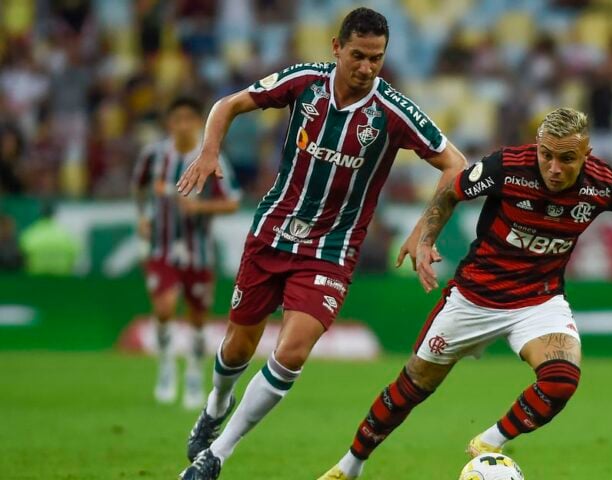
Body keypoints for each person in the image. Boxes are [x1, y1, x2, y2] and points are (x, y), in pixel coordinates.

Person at [318, 108, 612, 479]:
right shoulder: (507, 166)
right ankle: (348, 467)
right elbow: (449, 193)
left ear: (585, 153)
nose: (553, 167)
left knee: (562, 379)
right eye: (546, 155)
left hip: (538, 300)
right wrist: (427, 236)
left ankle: (489, 443)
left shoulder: (604, 184)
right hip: (474, 296)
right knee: (413, 386)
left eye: (566, 159)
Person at [175, 8, 467, 480]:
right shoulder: (304, 81)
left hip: (331, 250)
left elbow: (456, 166)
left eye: (377, 58)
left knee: (290, 353)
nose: (367, 68)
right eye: (358, 56)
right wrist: (209, 151)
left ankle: (216, 457)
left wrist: (423, 230)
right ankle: (216, 405)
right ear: (336, 48)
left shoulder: (393, 111)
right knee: (236, 347)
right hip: (272, 232)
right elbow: (227, 104)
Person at [133, 96, 241, 409]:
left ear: (197, 123)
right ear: (169, 123)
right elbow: (139, 187)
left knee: (197, 320)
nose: (182, 125)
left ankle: (193, 373)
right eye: (176, 119)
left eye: (188, 119)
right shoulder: (154, 155)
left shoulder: (210, 157)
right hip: (161, 247)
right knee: (165, 308)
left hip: (199, 251)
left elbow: (232, 201)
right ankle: (166, 367)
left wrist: (200, 206)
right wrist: (142, 215)